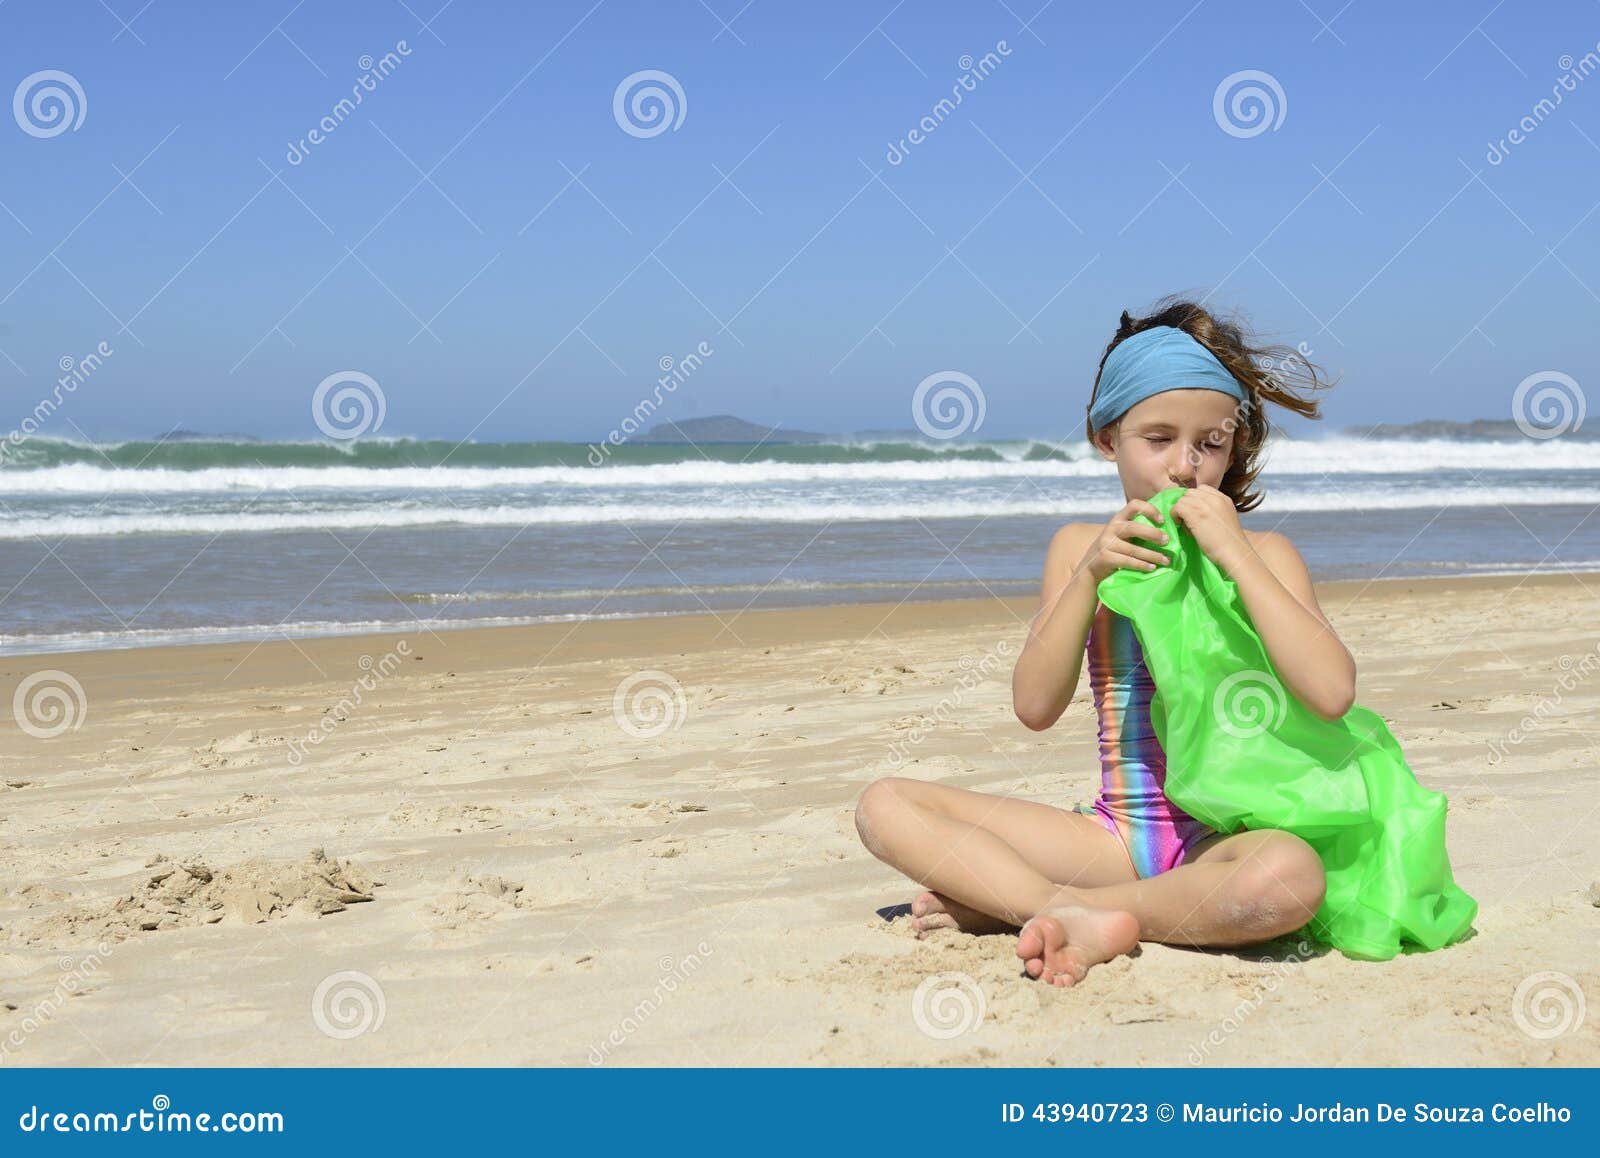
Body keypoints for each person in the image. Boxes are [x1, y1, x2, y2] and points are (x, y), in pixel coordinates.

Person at [854, 296, 1352, 988]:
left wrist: (1237, 559)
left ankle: (1038, 909)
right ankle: (1081, 907)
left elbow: (1332, 693)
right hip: (1113, 837)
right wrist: (1090, 573)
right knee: (885, 805)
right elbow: (1034, 705)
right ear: (1106, 437)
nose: (1186, 467)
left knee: (1290, 881)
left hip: (1226, 840)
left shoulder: (1267, 553)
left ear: (1234, 445)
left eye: (1210, 443)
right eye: (1158, 439)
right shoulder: (1076, 550)